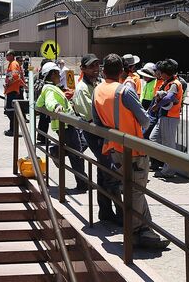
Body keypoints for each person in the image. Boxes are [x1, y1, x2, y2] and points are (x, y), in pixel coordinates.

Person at [92, 54, 168, 249]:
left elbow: (97, 121)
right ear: (122, 71)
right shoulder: (124, 91)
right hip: (133, 149)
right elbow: (145, 120)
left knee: (133, 190)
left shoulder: (98, 90)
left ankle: (148, 232)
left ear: (103, 71)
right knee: (136, 191)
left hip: (114, 148)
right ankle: (135, 233)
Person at [72, 54, 123, 224]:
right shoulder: (82, 89)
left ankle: (105, 211)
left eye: (97, 66)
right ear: (83, 69)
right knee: (110, 171)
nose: (95, 69)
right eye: (91, 66)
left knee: (103, 170)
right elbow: (89, 115)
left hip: (103, 133)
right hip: (95, 134)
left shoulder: (98, 84)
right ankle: (122, 214)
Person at [37, 61, 88, 192]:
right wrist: (56, 107)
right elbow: (48, 102)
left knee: (81, 144)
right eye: (58, 73)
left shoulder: (50, 87)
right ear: (52, 74)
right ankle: (82, 183)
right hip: (65, 126)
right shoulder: (49, 89)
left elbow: (38, 104)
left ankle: (57, 150)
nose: (60, 76)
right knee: (77, 154)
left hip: (67, 125)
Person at [149, 59, 184, 178]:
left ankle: (169, 170)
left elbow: (169, 97)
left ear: (166, 73)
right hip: (163, 116)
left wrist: (156, 106)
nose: (159, 74)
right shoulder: (168, 82)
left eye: (161, 72)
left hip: (170, 117)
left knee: (168, 144)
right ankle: (166, 164)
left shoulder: (174, 83)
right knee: (153, 139)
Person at [3, 50, 24, 136]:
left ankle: (13, 130)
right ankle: (12, 129)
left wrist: (8, 84)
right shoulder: (12, 63)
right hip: (11, 90)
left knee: (10, 111)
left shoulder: (13, 64)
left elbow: (15, 76)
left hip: (13, 90)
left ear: (12, 55)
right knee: (10, 110)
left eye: (7, 55)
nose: (6, 57)